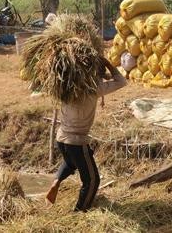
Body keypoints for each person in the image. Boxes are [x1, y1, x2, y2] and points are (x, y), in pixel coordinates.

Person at [45, 56, 126, 211]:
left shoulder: (64, 86)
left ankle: (56, 181)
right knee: (92, 180)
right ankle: (81, 211)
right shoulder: (93, 88)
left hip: (61, 137)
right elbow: (121, 81)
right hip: (76, 141)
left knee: (70, 163)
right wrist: (108, 64)